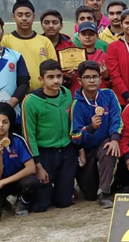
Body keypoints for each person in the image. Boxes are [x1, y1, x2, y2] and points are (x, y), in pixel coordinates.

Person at [22, 59, 75, 211]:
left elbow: (73, 124)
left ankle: (62, 189)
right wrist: (37, 164)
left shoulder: (67, 95)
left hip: (66, 150)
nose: (56, 80)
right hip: (44, 153)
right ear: (41, 79)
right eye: (50, 77)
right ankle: (25, 196)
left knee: (63, 203)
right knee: (40, 207)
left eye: (59, 76)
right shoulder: (31, 101)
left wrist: (80, 150)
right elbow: (28, 134)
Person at [70, 60, 121, 208]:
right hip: (86, 149)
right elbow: (75, 136)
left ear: (100, 78)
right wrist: (91, 128)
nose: (92, 80)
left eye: (95, 76)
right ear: (80, 80)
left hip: (104, 142)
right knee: (89, 195)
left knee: (109, 149)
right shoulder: (77, 104)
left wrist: (115, 139)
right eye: (87, 77)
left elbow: (117, 119)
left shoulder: (108, 95)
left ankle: (104, 192)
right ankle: (95, 187)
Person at [1, 0, 57, 92]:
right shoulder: (5, 40)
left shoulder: (44, 41)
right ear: (13, 17)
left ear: (34, 17)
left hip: (41, 94)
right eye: (20, 15)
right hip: (14, 95)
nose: (24, 18)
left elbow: (53, 67)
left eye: (27, 15)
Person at [0, 102, 39, 218]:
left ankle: (23, 202)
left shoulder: (18, 140)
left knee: (32, 181)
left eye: (5, 122)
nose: (1, 125)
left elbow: (31, 168)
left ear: (10, 123)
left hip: (17, 181)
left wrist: (4, 182)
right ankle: (5, 203)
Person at [0, 17, 31, 135]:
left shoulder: (15, 56)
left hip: (13, 113)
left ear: (3, 31)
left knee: (13, 149)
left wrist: (10, 104)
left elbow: (24, 83)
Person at [68, 22, 110, 95]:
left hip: (100, 96)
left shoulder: (105, 56)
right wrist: (67, 77)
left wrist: (106, 76)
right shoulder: (72, 56)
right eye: (84, 34)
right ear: (78, 36)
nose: (87, 37)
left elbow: (112, 82)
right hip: (77, 95)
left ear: (97, 36)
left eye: (91, 34)